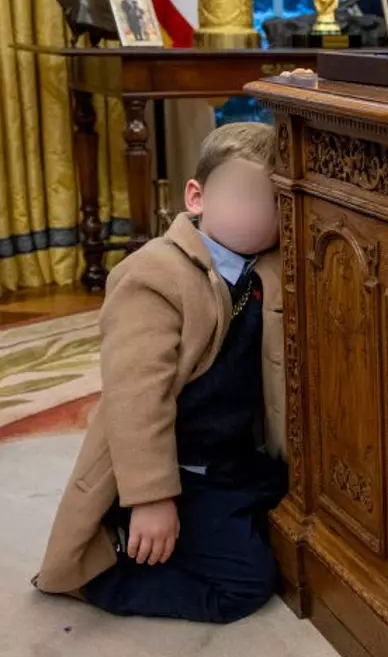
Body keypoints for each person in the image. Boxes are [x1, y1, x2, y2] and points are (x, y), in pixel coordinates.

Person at [33, 122, 288, 624]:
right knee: (248, 581)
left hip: (233, 454)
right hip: (180, 466)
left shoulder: (268, 266)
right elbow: (136, 399)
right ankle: (106, 572)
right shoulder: (153, 276)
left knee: (288, 509)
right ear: (197, 197)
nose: (263, 213)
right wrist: (153, 497)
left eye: (277, 202)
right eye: (246, 196)